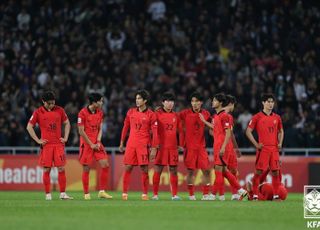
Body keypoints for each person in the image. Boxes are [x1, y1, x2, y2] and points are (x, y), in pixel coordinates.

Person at [199, 93, 247, 201]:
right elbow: (215, 128)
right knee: (223, 171)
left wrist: (223, 147)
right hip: (218, 145)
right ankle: (240, 190)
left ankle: (216, 195)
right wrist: (204, 121)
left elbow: (228, 133)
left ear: (220, 103)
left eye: (215, 100)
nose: (212, 102)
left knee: (219, 171)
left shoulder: (225, 116)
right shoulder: (217, 116)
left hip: (222, 146)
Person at [26, 90, 73, 200]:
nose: (52, 105)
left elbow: (67, 123)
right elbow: (29, 127)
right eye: (49, 103)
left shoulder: (60, 110)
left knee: (61, 168)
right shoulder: (38, 112)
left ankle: (62, 194)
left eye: (53, 102)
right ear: (43, 102)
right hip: (46, 145)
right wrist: (38, 140)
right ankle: (48, 195)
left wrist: (65, 137)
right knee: (47, 169)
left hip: (58, 145)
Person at [119, 90, 158, 201]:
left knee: (144, 169)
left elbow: (155, 133)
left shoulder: (151, 114)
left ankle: (145, 194)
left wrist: (154, 148)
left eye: (139, 98)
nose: (137, 100)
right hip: (131, 144)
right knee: (128, 167)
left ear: (145, 100)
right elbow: (125, 127)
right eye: (136, 98)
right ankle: (124, 193)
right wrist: (122, 141)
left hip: (143, 145)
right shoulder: (130, 112)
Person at [246, 93, 284, 200]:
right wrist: (256, 144)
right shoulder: (257, 117)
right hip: (263, 149)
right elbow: (248, 131)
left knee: (275, 172)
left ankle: (276, 196)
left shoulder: (277, 117)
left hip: (274, 149)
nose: (270, 104)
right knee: (259, 171)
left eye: (272, 102)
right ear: (263, 103)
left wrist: (280, 142)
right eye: (268, 102)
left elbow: (281, 131)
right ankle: (254, 195)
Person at [78, 93, 112, 200]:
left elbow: (100, 129)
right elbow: (81, 131)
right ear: (94, 102)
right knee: (86, 169)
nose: (102, 103)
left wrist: (97, 141)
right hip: (87, 144)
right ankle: (86, 194)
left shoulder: (100, 113)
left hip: (96, 143)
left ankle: (101, 192)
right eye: (100, 101)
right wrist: (91, 144)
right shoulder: (82, 113)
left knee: (105, 164)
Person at [179, 92, 211, 201]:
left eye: (197, 101)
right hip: (190, 147)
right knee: (190, 172)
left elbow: (212, 126)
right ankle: (191, 195)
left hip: (201, 147)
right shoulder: (184, 113)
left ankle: (205, 195)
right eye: (193, 101)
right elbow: (172, 117)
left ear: (201, 102)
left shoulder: (206, 114)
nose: (194, 103)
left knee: (206, 170)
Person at [152, 92, 183, 201]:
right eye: (167, 101)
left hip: (173, 147)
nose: (170, 104)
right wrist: (154, 146)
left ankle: (174, 195)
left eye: (171, 101)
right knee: (158, 169)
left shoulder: (176, 115)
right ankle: (155, 195)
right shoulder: (157, 114)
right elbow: (153, 130)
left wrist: (180, 144)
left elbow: (180, 131)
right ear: (163, 102)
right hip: (161, 147)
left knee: (173, 170)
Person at [223, 94, 242, 200]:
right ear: (231, 104)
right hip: (225, 147)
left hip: (228, 147)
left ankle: (234, 194)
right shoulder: (225, 116)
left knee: (233, 170)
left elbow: (231, 133)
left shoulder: (225, 116)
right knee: (224, 170)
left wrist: (236, 148)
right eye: (233, 104)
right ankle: (236, 191)